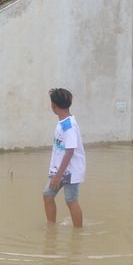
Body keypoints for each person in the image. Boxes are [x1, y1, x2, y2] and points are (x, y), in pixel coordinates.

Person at [43, 88, 86, 228]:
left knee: (71, 200)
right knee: (47, 195)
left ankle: (78, 233)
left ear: (53, 106)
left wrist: (57, 176)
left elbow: (69, 152)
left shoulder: (68, 126)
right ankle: (51, 227)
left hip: (70, 171)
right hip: (59, 169)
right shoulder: (63, 122)